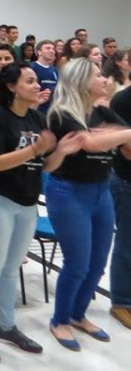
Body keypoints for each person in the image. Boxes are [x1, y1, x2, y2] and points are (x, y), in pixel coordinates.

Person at [0, 63, 81, 363]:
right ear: (11, 87)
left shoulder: (36, 118)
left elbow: (45, 166)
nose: (37, 85)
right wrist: (35, 149)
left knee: (10, 268)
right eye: (29, 81)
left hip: (27, 202)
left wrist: (61, 151)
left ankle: (7, 326)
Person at [45, 58, 131, 350]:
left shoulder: (102, 111)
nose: (105, 79)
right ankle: (59, 320)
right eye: (98, 75)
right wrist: (115, 135)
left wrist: (111, 135)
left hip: (100, 191)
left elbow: (126, 149)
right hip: (69, 193)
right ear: (81, 80)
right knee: (77, 264)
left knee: (97, 264)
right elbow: (90, 143)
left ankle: (78, 314)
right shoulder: (61, 114)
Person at [107, 81, 131, 329]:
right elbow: (127, 149)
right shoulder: (123, 101)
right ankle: (121, 302)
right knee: (127, 244)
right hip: (127, 182)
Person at [31, 40, 59, 115]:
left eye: (53, 49)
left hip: (51, 109)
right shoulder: (31, 67)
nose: (52, 51)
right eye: (48, 48)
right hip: (36, 108)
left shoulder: (54, 70)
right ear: (39, 52)